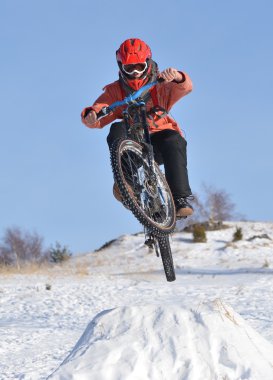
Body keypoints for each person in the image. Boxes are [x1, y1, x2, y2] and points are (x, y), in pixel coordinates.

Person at [81, 38, 194, 218]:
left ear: (147, 64)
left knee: (174, 140)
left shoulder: (161, 83)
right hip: (133, 140)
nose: (134, 73)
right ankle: (125, 182)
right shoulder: (115, 90)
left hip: (159, 138)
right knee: (117, 128)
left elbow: (185, 87)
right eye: (129, 68)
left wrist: (177, 76)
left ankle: (180, 198)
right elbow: (99, 110)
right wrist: (92, 115)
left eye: (139, 67)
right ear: (121, 67)